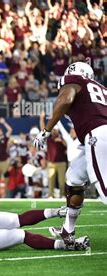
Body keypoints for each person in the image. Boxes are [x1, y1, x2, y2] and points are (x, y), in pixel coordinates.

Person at [33, 61, 107, 246]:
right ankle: (68, 229)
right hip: (96, 136)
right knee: (73, 178)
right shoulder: (101, 88)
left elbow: (65, 100)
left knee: (105, 192)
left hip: (98, 135)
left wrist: (46, 130)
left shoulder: (73, 80)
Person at [40, 116, 67, 198]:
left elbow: (69, 145)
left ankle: (62, 195)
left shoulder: (62, 138)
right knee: (51, 180)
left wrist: (62, 141)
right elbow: (43, 130)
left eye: (55, 130)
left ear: (58, 131)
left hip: (61, 163)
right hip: (51, 163)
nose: (54, 132)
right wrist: (41, 119)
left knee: (62, 181)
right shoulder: (48, 139)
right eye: (53, 130)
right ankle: (50, 195)